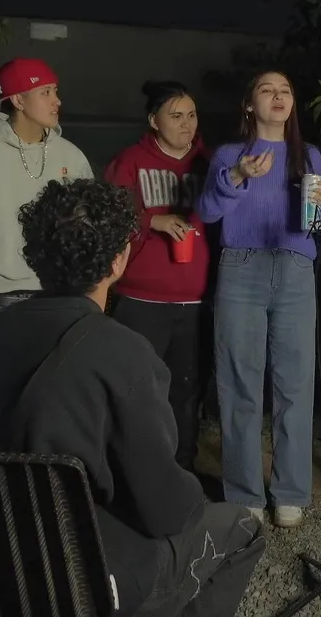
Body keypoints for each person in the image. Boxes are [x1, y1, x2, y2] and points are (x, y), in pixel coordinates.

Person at [0, 179, 265, 617]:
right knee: (242, 527)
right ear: (118, 261)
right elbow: (166, 512)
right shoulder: (121, 351)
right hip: (74, 582)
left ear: (38, 256)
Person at [197, 71, 321, 529]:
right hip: (241, 267)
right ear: (249, 104)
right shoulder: (229, 155)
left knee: (296, 383)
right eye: (267, 90)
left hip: (295, 269)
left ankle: (290, 491)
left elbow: (318, 224)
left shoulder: (309, 156)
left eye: (286, 90)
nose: (278, 96)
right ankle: (244, 491)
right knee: (240, 381)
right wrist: (238, 175)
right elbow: (207, 212)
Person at [104, 80, 212, 472]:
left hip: (196, 299)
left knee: (187, 391)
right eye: (176, 116)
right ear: (154, 120)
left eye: (192, 115)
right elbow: (109, 217)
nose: (187, 124)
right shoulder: (129, 162)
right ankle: (134, 473)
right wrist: (153, 220)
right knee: (137, 389)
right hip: (140, 300)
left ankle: (182, 473)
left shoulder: (210, 163)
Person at [0, 57, 93, 329]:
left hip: (62, 297)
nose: (57, 101)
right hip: (3, 302)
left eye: (55, 91)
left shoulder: (72, 156)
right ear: (18, 100)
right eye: (45, 92)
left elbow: (88, 230)